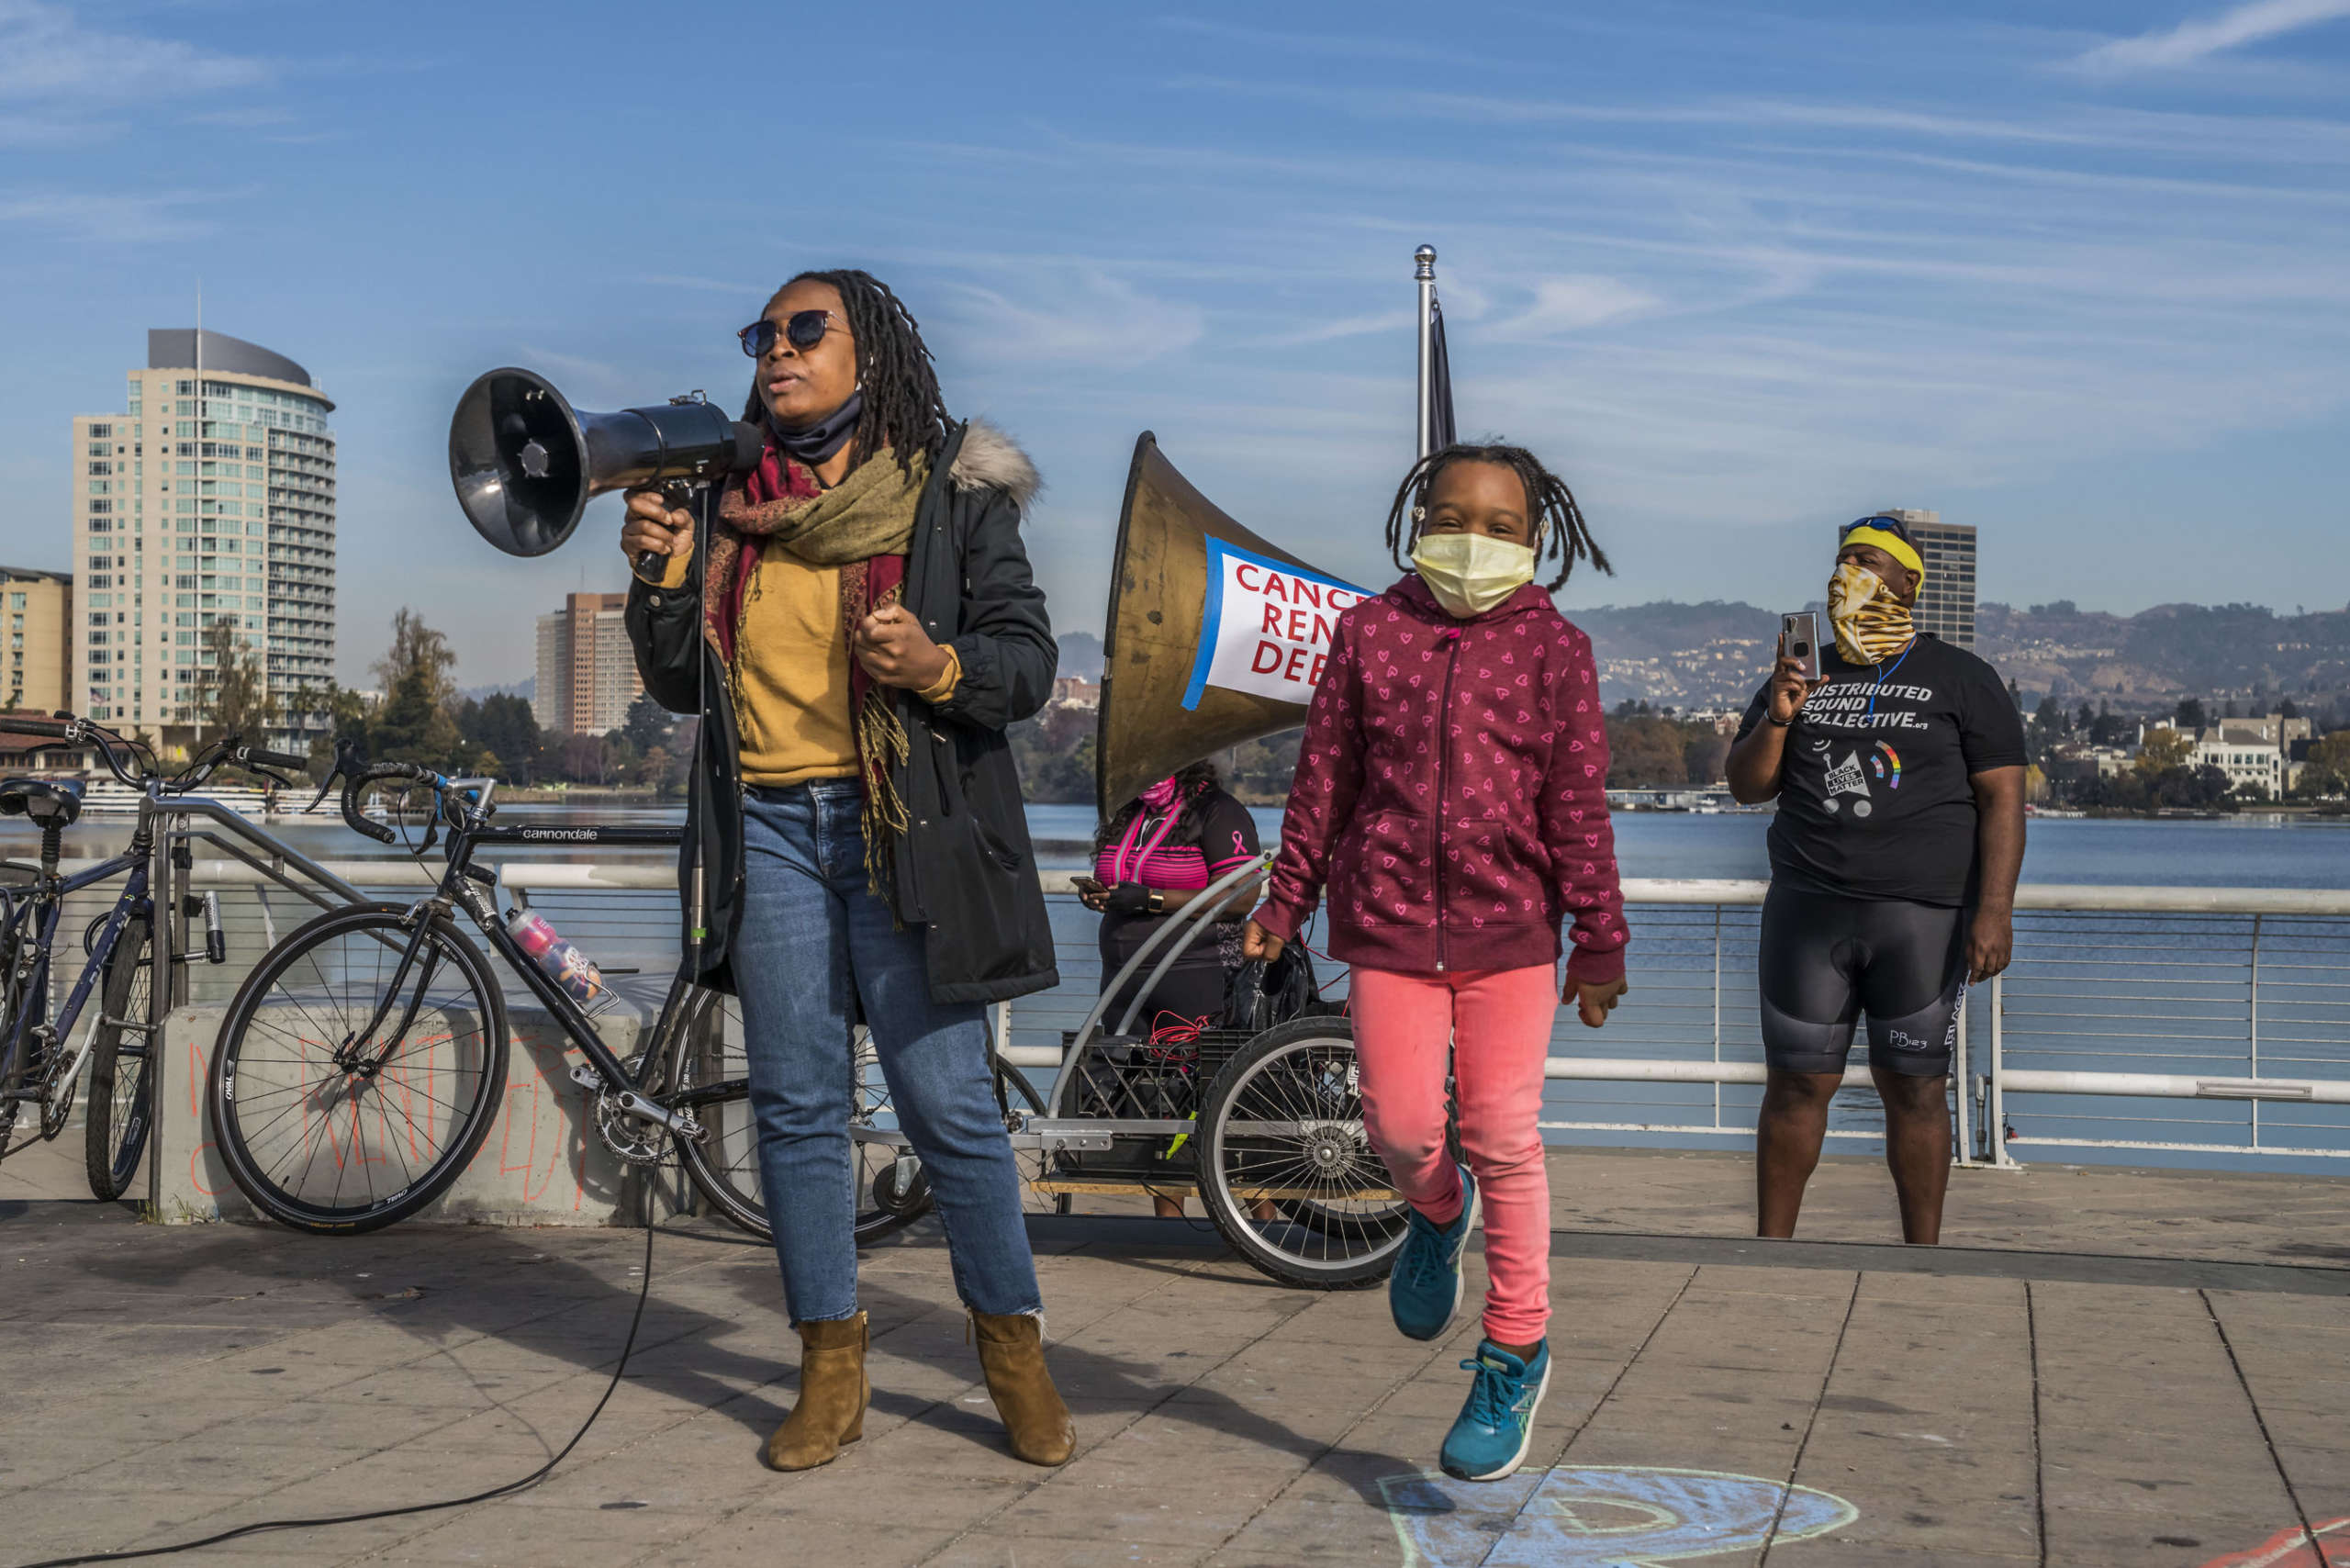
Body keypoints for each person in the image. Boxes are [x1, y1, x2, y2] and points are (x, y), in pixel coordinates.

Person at [621, 269, 1074, 1473]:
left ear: (866, 352)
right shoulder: (724, 494)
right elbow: (680, 685)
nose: (776, 349)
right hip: (765, 827)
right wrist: (659, 573)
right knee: (798, 1106)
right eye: (761, 334)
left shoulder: (949, 492)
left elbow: (1023, 662)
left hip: (898, 833)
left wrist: (934, 665)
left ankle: (1011, 1349)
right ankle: (830, 1363)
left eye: (803, 330)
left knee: (949, 1107)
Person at [1242, 442, 1629, 1484]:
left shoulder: (1556, 651)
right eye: (1454, 517)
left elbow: (1577, 806)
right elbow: (1325, 777)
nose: (1476, 540)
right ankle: (1433, 1210)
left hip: (1510, 934)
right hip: (1391, 929)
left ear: (1536, 541)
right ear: (1418, 522)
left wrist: (1599, 938)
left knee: (1504, 1132)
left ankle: (1514, 1346)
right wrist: (1286, 899)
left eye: (1502, 526)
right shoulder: (1371, 634)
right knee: (1401, 1128)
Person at [1725, 516, 2025, 1246]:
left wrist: (1994, 912)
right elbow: (1745, 785)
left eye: (1866, 561)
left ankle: (1923, 1254)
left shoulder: (1964, 678)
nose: (1846, 573)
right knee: (1796, 1086)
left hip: (1922, 919)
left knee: (1915, 1088)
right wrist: (1779, 714)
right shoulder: (1800, 673)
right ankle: (1772, 1252)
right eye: (1841, 560)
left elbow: (2004, 799)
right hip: (1807, 914)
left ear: (1908, 583)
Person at [1075, 760, 1262, 1217]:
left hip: (1197, 976)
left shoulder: (1217, 810)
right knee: (1153, 1108)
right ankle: (1167, 1228)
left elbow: (1242, 896)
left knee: (1227, 1107)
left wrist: (1151, 899)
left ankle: (1262, 1225)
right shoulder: (1130, 810)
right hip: (1124, 979)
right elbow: (1127, 878)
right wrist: (1103, 894)